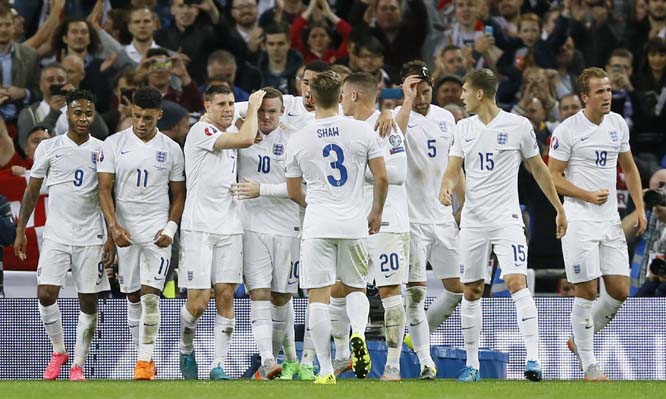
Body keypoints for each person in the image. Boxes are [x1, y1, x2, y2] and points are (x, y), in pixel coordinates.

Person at [440, 68, 567, 382]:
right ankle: (472, 364)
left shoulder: (518, 126)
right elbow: (453, 167)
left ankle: (534, 359)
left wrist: (558, 207)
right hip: (473, 222)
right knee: (471, 290)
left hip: (506, 220)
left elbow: (539, 169)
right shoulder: (463, 128)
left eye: (466, 91)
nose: (462, 96)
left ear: (480, 93)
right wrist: (446, 185)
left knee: (515, 282)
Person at [285, 70, 388, 384]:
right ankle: (358, 332)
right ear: (341, 97)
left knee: (319, 296)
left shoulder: (299, 137)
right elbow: (382, 177)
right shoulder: (360, 131)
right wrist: (376, 212)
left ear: (312, 98)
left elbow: (292, 191)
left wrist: (314, 204)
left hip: (318, 223)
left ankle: (326, 369)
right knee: (356, 287)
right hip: (354, 221)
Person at [548, 67, 647, 381]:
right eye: (601, 92)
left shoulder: (618, 124)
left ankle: (578, 339)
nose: (608, 96)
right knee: (587, 291)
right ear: (585, 97)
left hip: (609, 221)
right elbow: (552, 177)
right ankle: (590, 365)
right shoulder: (567, 130)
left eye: (609, 90)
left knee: (620, 290)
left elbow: (629, 169)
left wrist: (640, 207)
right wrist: (586, 195)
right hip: (578, 219)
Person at [13, 89, 114, 381]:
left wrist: (110, 235)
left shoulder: (102, 149)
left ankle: (78, 363)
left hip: (91, 235)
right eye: (77, 113)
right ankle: (59, 351)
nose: (83, 118)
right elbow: (32, 191)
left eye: (88, 113)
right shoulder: (49, 147)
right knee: (45, 294)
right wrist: (21, 230)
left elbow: (109, 194)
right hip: (56, 234)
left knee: (89, 302)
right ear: (67, 114)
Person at [97, 86, 186, 380]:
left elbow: (178, 194)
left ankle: (144, 362)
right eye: (136, 116)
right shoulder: (113, 144)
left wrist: (171, 227)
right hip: (125, 231)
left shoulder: (172, 149)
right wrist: (113, 227)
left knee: (150, 297)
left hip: (156, 230)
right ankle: (141, 355)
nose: (141, 123)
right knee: (133, 297)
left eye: (148, 117)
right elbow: (104, 190)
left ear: (159, 114)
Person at [177, 86, 264, 381]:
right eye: (221, 105)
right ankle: (186, 346)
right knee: (199, 302)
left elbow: (240, 121)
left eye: (231, 104)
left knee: (226, 295)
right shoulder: (200, 131)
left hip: (230, 225)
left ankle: (219, 365)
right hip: (198, 227)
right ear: (206, 106)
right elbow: (246, 137)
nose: (228, 109)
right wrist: (250, 109)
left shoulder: (226, 122)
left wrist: (245, 109)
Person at [394, 61, 463, 380]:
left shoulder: (446, 118)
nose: (421, 96)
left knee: (458, 290)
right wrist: (406, 100)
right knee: (416, 293)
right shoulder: (397, 116)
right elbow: (396, 134)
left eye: (425, 90)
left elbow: (454, 165)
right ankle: (425, 361)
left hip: (442, 218)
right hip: (412, 221)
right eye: (414, 90)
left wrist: (465, 201)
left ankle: (416, 335)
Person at [340, 72, 408, 381]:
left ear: (354, 96)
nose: (339, 101)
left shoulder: (385, 126)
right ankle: (348, 348)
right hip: (356, 222)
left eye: (343, 95)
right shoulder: (347, 129)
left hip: (389, 221)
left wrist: (360, 173)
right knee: (345, 286)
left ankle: (393, 365)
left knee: (389, 291)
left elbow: (398, 172)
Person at [231, 87, 302, 380]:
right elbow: (220, 108)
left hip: (288, 227)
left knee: (282, 297)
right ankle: (268, 359)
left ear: (282, 111)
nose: (267, 117)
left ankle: (286, 357)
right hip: (252, 226)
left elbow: (303, 190)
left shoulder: (295, 140)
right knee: (259, 294)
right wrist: (249, 110)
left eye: (272, 111)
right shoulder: (241, 137)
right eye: (261, 111)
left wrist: (263, 190)